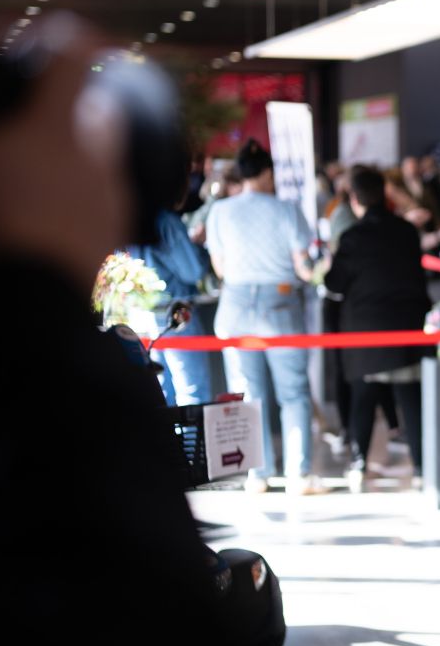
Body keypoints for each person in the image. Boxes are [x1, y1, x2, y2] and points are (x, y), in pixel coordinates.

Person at [206, 137, 325, 494]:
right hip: (281, 305)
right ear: (267, 173)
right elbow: (304, 268)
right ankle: (298, 475)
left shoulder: (220, 211)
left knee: (247, 393)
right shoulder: (286, 210)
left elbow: (221, 268)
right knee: (293, 392)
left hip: (236, 306)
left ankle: (257, 475)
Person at [325, 165, 432, 491]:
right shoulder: (406, 231)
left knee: (363, 397)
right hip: (406, 327)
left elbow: (334, 283)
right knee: (410, 397)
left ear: (354, 198)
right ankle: (422, 468)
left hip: (365, 332)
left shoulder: (352, 238)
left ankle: (359, 464)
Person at [128, 207, 214, 405]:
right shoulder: (166, 220)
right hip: (175, 315)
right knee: (193, 395)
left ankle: (170, 437)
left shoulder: (126, 210)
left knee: (161, 393)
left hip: (138, 312)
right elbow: (193, 270)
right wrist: (199, 247)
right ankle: (187, 437)